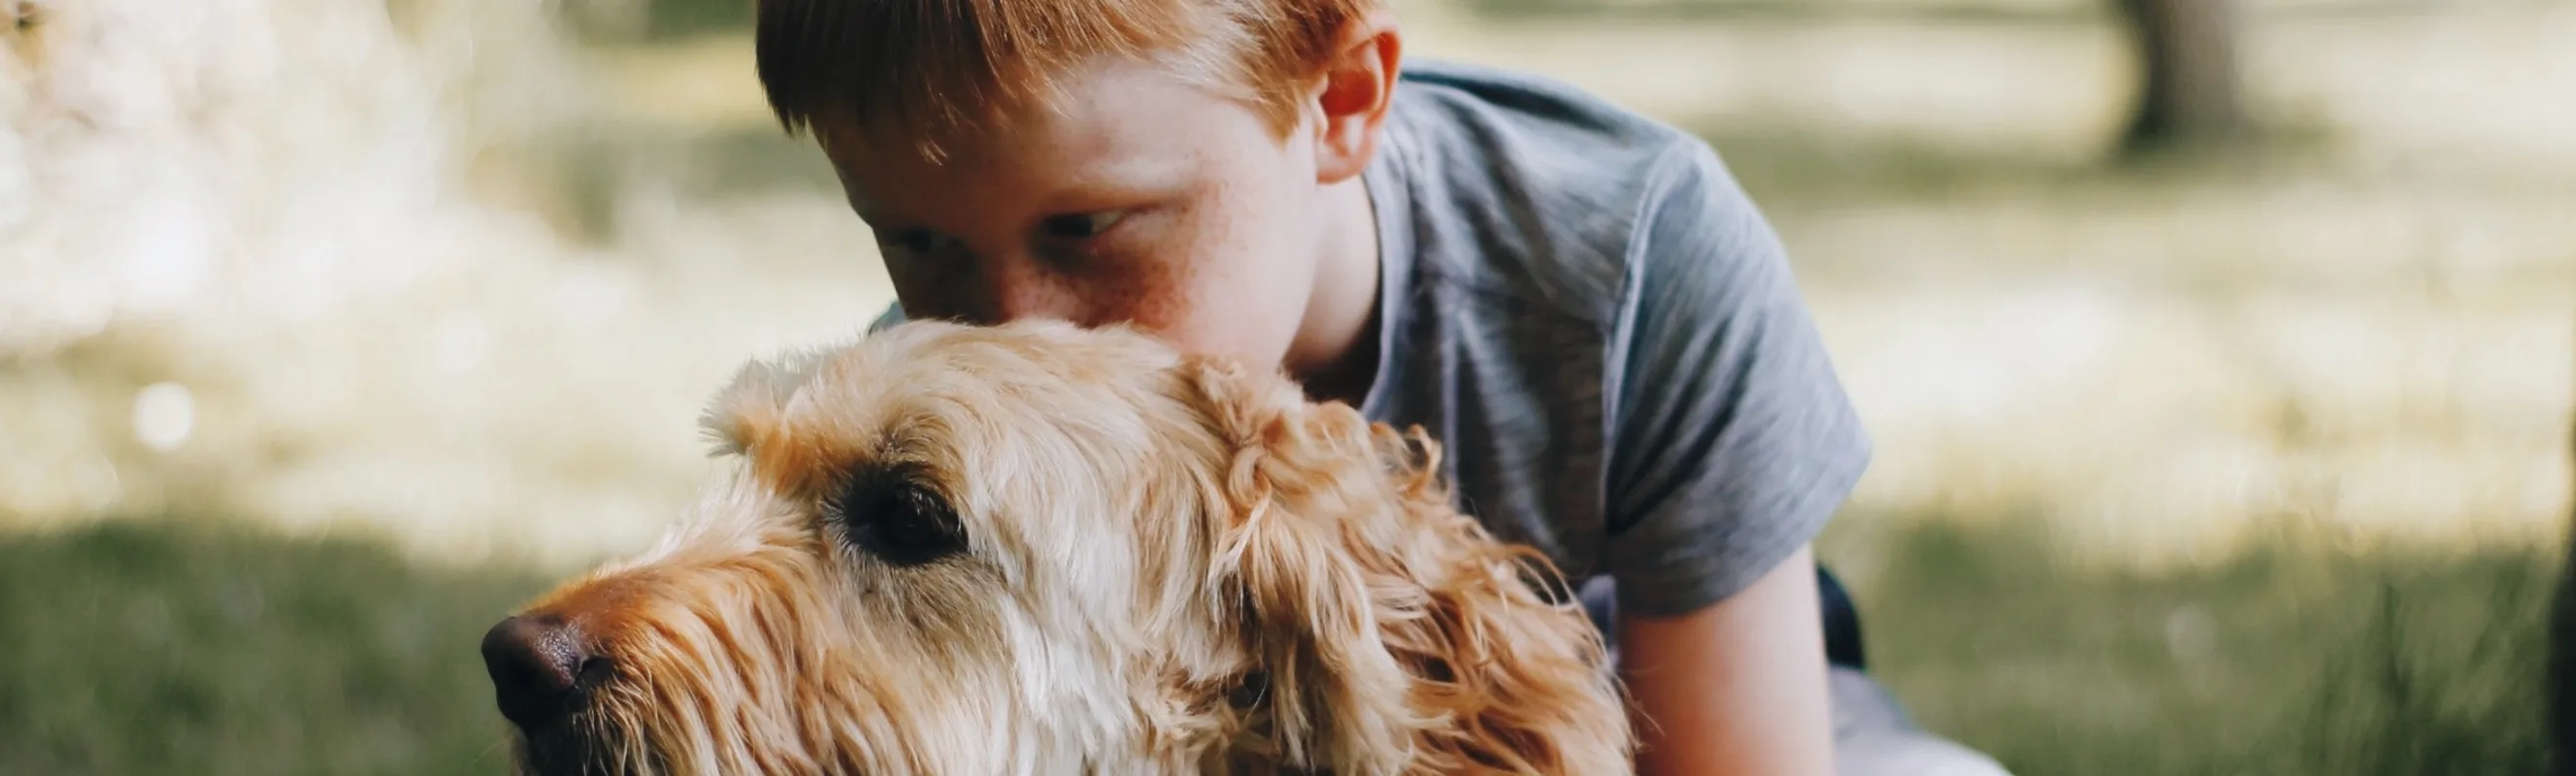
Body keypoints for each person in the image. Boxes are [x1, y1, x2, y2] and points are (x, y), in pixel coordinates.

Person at [751, 1, 2009, 772]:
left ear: (1343, 101)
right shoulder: (942, 426)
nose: (1010, 329)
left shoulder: (1633, 265)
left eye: (1090, 228)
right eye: (920, 245)